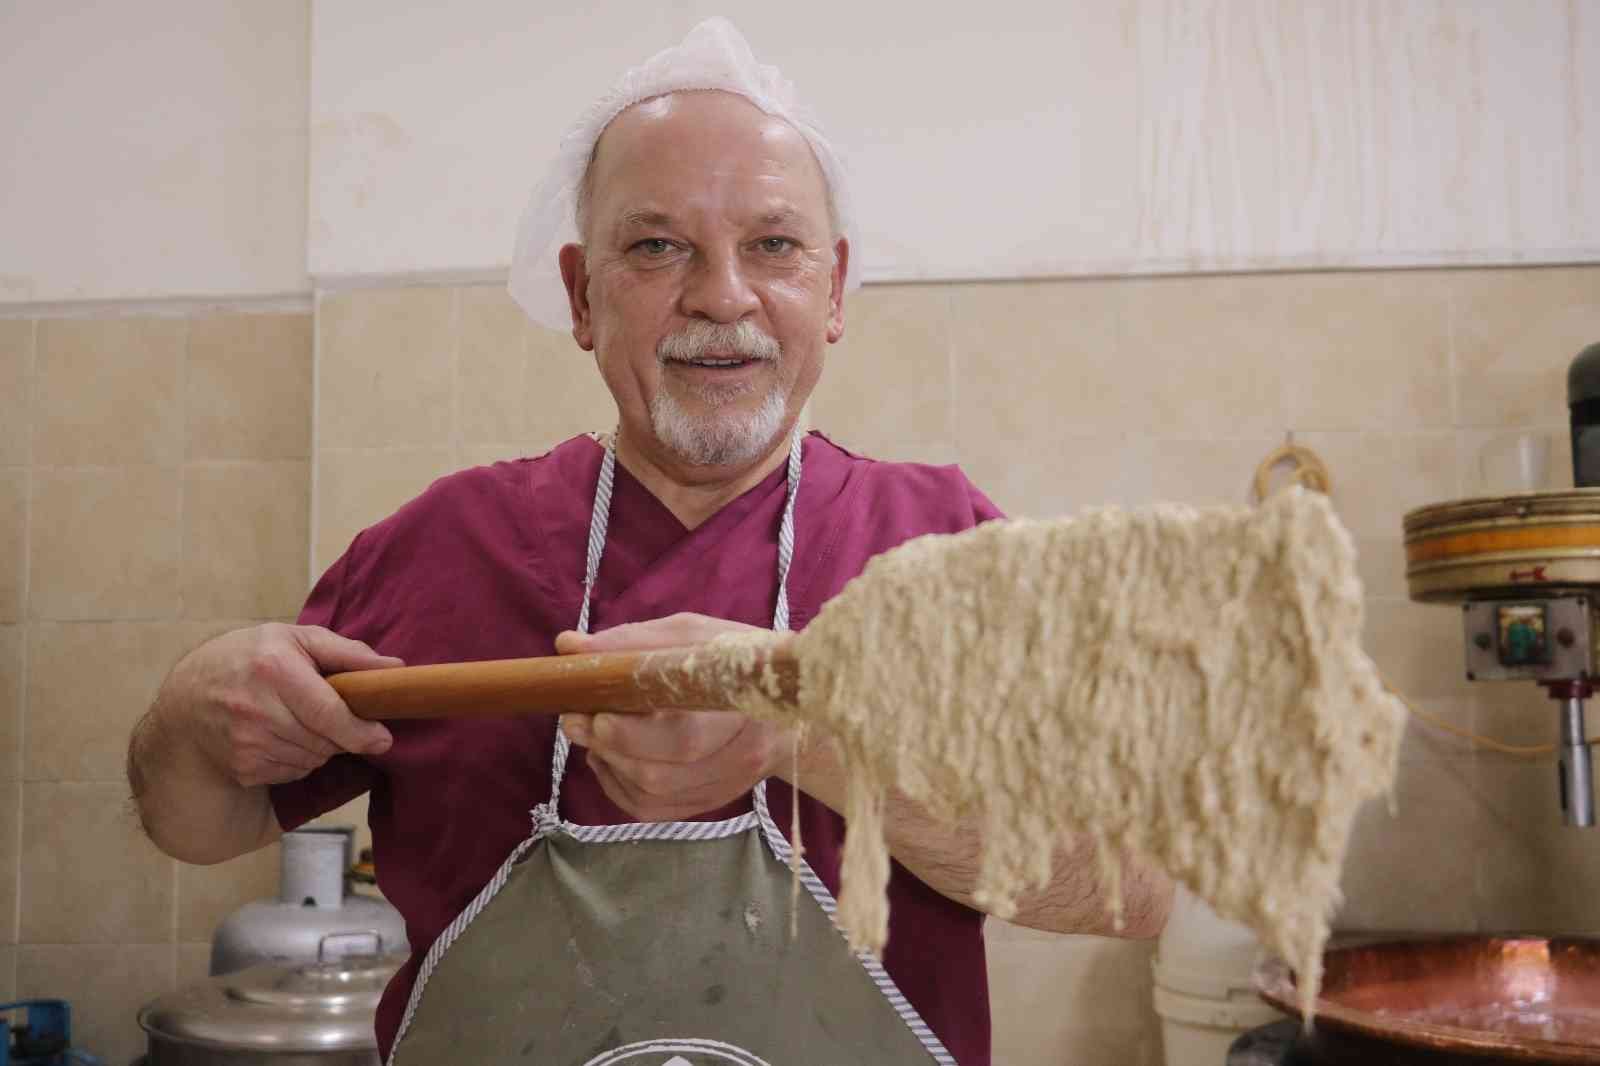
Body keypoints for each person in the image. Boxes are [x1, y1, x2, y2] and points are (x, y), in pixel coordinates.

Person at [127, 18, 1171, 1065]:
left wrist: (803, 740)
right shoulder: (442, 547)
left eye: (772, 245)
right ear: (583, 294)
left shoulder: (944, 547)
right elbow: (197, 823)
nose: (721, 296)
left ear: (834, 287)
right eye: (657, 245)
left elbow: (1137, 883)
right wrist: (188, 713)